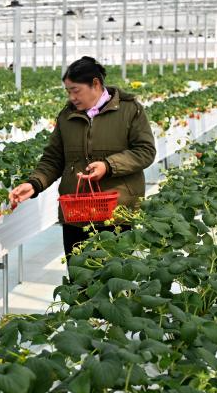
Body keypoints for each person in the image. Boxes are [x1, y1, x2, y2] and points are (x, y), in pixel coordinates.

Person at [8, 56, 155, 265]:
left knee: (115, 276)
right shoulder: (67, 116)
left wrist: (108, 166)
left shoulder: (130, 110)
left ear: (95, 84)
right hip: (77, 214)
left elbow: (145, 151)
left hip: (117, 213)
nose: (72, 97)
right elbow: (53, 158)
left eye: (75, 90)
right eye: (68, 91)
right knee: (80, 277)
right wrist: (35, 184)